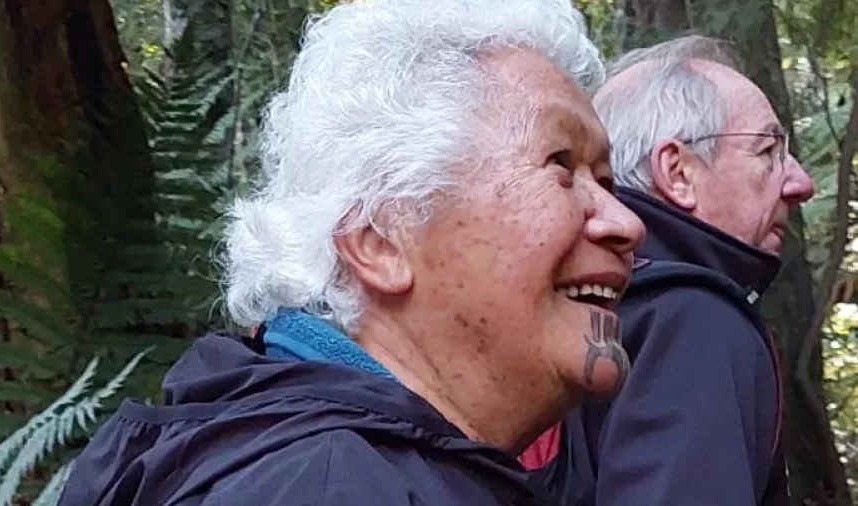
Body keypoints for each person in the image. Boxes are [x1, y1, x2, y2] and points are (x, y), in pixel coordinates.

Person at [56, 0, 646, 505]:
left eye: (608, 180)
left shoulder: (333, 465)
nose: (626, 223)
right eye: (561, 166)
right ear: (380, 239)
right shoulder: (325, 487)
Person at [531, 35, 815, 506]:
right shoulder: (693, 320)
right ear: (678, 173)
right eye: (768, 151)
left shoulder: (577, 307)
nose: (800, 183)